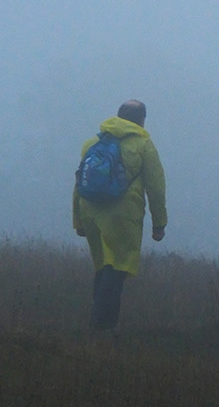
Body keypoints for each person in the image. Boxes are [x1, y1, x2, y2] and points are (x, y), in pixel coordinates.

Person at [72, 101, 167, 332]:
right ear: (142, 120)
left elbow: (79, 183)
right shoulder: (143, 145)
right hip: (123, 216)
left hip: (90, 212)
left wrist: (78, 220)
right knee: (117, 270)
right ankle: (102, 329)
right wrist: (159, 224)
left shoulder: (92, 143)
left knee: (103, 266)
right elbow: (156, 187)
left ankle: (96, 327)